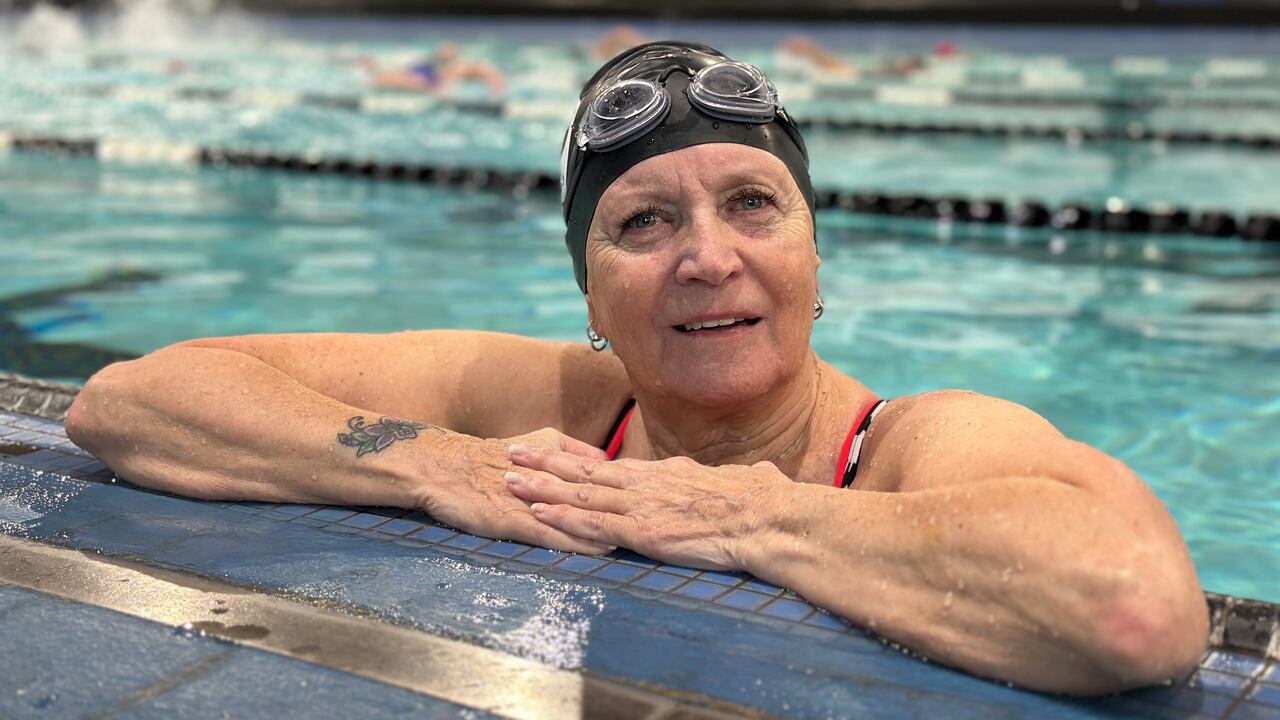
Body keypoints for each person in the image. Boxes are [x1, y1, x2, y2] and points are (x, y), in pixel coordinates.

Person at [65, 41, 1207, 696]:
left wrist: (753, 516)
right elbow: (132, 400)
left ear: (815, 257)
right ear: (590, 294)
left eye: (752, 204)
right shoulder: (548, 405)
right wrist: (434, 462)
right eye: (643, 223)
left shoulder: (911, 445)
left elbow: (1134, 608)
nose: (707, 259)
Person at [356, 42, 506, 96]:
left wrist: (496, 93)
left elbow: (490, 73)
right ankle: (373, 67)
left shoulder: (461, 67)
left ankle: (373, 68)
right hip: (426, 76)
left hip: (430, 79)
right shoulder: (427, 64)